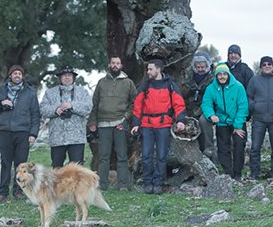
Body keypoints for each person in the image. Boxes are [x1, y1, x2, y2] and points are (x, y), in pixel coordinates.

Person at [130, 59, 186, 195]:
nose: (148, 72)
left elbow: (179, 104)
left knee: (161, 156)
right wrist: (136, 124)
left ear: (159, 69)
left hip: (164, 125)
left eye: (150, 69)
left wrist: (180, 120)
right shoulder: (145, 85)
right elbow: (137, 106)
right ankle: (148, 182)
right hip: (147, 125)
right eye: (147, 69)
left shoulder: (170, 84)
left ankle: (159, 183)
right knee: (147, 156)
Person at [0, 65, 40, 202]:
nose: (17, 75)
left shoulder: (30, 92)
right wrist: (1, 103)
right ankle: (2, 192)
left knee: (21, 164)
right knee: (5, 163)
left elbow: (35, 114)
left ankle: (19, 190)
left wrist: (33, 133)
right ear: (10, 75)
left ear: (22, 76)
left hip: (23, 132)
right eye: (14, 73)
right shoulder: (1, 90)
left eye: (19, 73)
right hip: (6, 131)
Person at [88, 56, 137, 191]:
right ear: (109, 65)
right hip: (103, 124)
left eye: (118, 63)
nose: (115, 65)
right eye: (113, 63)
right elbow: (95, 103)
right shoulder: (101, 83)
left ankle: (123, 185)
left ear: (121, 65)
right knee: (103, 156)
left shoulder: (128, 83)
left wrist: (126, 117)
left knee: (122, 155)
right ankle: (102, 185)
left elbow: (135, 102)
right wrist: (92, 121)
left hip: (120, 123)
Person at [201, 63, 248, 180]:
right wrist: (211, 115)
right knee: (223, 147)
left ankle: (237, 173)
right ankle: (228, 172)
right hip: (221, 121)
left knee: (239, 143)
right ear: (216, 76)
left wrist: (238, 126)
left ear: (228, 75)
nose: (222, 77)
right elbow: (206, 103)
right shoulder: (211, 88)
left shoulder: (238, 87)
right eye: (219, 74)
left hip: (237, 121)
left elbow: (243, 106)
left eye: (224, 74)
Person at [40, 65, 92, 168]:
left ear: (73, 78)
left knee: (77, 169)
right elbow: (43, 109)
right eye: (64, 75)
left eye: (69, 75)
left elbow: (88, 108)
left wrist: (72, 106)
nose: (67, 77)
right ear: (60, 77)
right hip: (57, 137)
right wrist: (55, 109)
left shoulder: (83, 92)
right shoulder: (50, 93)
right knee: (56, 168)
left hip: (77, 137)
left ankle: (77, 185)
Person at [184, 51, 215, 155]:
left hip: (207, 108)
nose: (201, 70)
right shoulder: (189, 76)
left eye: (203, 67)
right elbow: (182, 92)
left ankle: (208, 149)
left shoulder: (213, 78)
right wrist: (189, 91)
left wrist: (206, 91)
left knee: (203, 121)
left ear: (207, 66)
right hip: (190, 106)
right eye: (198, 67)